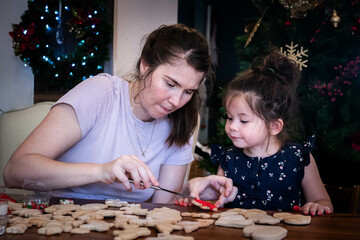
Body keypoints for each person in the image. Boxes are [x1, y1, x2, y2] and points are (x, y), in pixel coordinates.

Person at [3, 23, 223, 203]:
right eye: (170, 83)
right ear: (145, 66)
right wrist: (103, 171)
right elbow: (14, 172)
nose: (177, 101)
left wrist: (189, 191)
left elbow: (161, 205)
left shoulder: (183, 120)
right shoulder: (101, 92)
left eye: (188, 92)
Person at [179, 50, 333, 215]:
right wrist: (200, 199)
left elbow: (323, 201)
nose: (232, 126)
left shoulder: (298, 158)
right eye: (230, 118)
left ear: (274, 126)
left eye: (243, 121)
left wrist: (317, 206)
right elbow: (219, 202)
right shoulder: (229, 158)